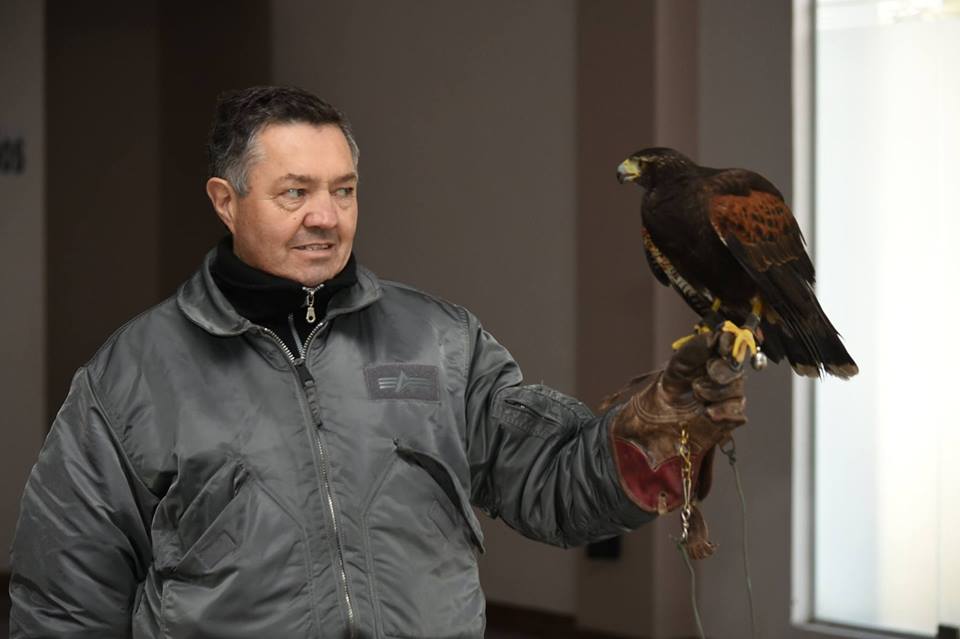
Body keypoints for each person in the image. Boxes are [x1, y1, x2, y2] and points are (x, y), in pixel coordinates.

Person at [9, 86, 747, 638]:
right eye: (294, 193)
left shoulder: (442, 340)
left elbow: (549, 482)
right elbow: (63, 599)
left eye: (343, 190)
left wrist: (643, 438)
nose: (326, 217)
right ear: (225, 202)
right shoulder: (132, 373)